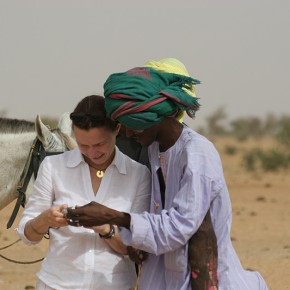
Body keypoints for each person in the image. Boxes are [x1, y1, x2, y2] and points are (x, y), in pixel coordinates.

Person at [66, 58, 269, 290]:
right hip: (164, 277)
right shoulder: (155, 150)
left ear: (155, 116)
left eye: (132, 125)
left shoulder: (197, 154)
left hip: (205, 279)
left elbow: (179, 227)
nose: (128, 133)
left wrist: (113, 216)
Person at [17, 95, 151, 290]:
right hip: (56, 285)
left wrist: (105, 228)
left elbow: (138, 247)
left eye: (100, 144)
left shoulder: (139, 175)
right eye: (83, 145)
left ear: (118, 129)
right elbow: (27, 235)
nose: (92, 152)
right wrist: (46, 219)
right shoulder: (53, 167)